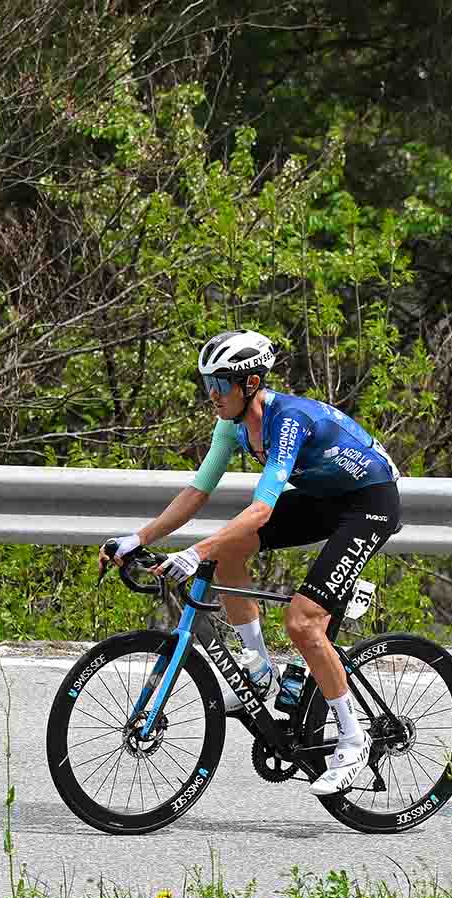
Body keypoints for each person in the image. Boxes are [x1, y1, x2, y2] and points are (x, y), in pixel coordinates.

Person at [103, 329, 402, 795]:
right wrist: (139, 537)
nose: (212, 397)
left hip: (369, 503)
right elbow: (198, 492)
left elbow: (262, 508)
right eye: (207, 387)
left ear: (250, 383)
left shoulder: (286, 421)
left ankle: (352, 737)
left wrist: (194, 551)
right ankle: (259, 670)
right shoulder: (232, 425)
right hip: (326, 499)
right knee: (230, 552)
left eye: (219, 386)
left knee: (303, 623)